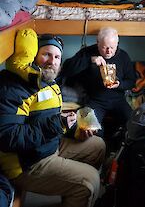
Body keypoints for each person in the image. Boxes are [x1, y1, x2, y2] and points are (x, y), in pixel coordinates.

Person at [0, 34, 106, 207]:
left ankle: (70, 193)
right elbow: (8, 137)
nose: (52, 61)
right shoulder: (15, 87)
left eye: (57, 57)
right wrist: (57, 124)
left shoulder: (46, 82)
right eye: (46, 54)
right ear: (35, 55)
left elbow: (48, 119)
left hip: (46, 146)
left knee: (97, 146)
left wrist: (74, 129)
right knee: (89, 181)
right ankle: (79, 189)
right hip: (27, 163)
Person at [59, 27, 136, 136]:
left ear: (117, 44)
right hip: (95, 100)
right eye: (105, 47)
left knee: (134, 124)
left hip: (118, 100)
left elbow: (131, 81)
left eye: (112, 47)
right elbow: (67, 69)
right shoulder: (87, 53)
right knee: (91, 129)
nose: (109, 51)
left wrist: (119, 84)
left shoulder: (123, 56)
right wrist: (90, 60)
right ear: (97, 43)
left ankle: (119, 144)